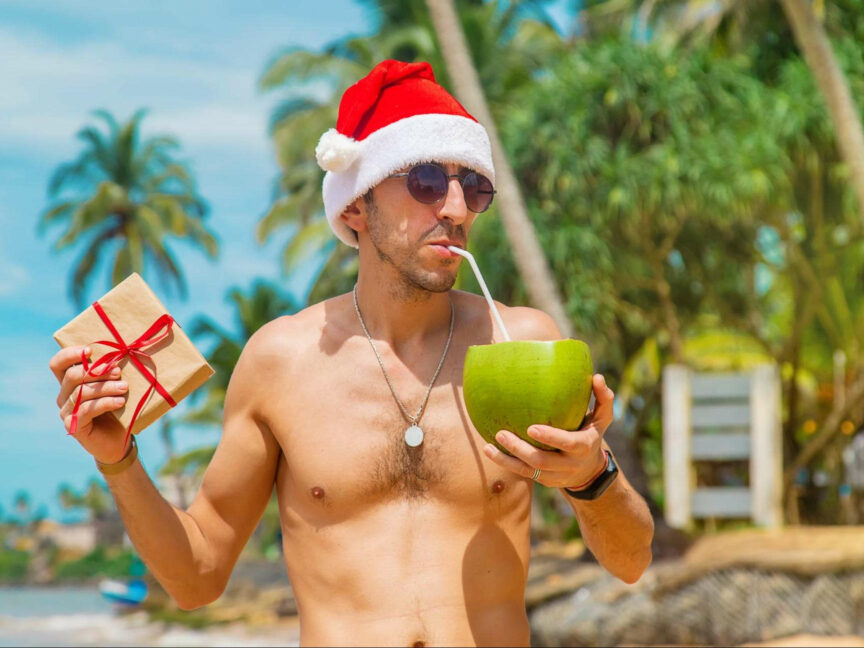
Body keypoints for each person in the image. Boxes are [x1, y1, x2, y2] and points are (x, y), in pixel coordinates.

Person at [49, 60, 654, 647]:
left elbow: (630, 563)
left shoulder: (522, 343)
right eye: (424, 182)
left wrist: (592, 477)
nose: (454, 208)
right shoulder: (282, 361)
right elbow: (196, 578)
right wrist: (120, 462)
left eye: (473, 186)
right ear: (355, 205)